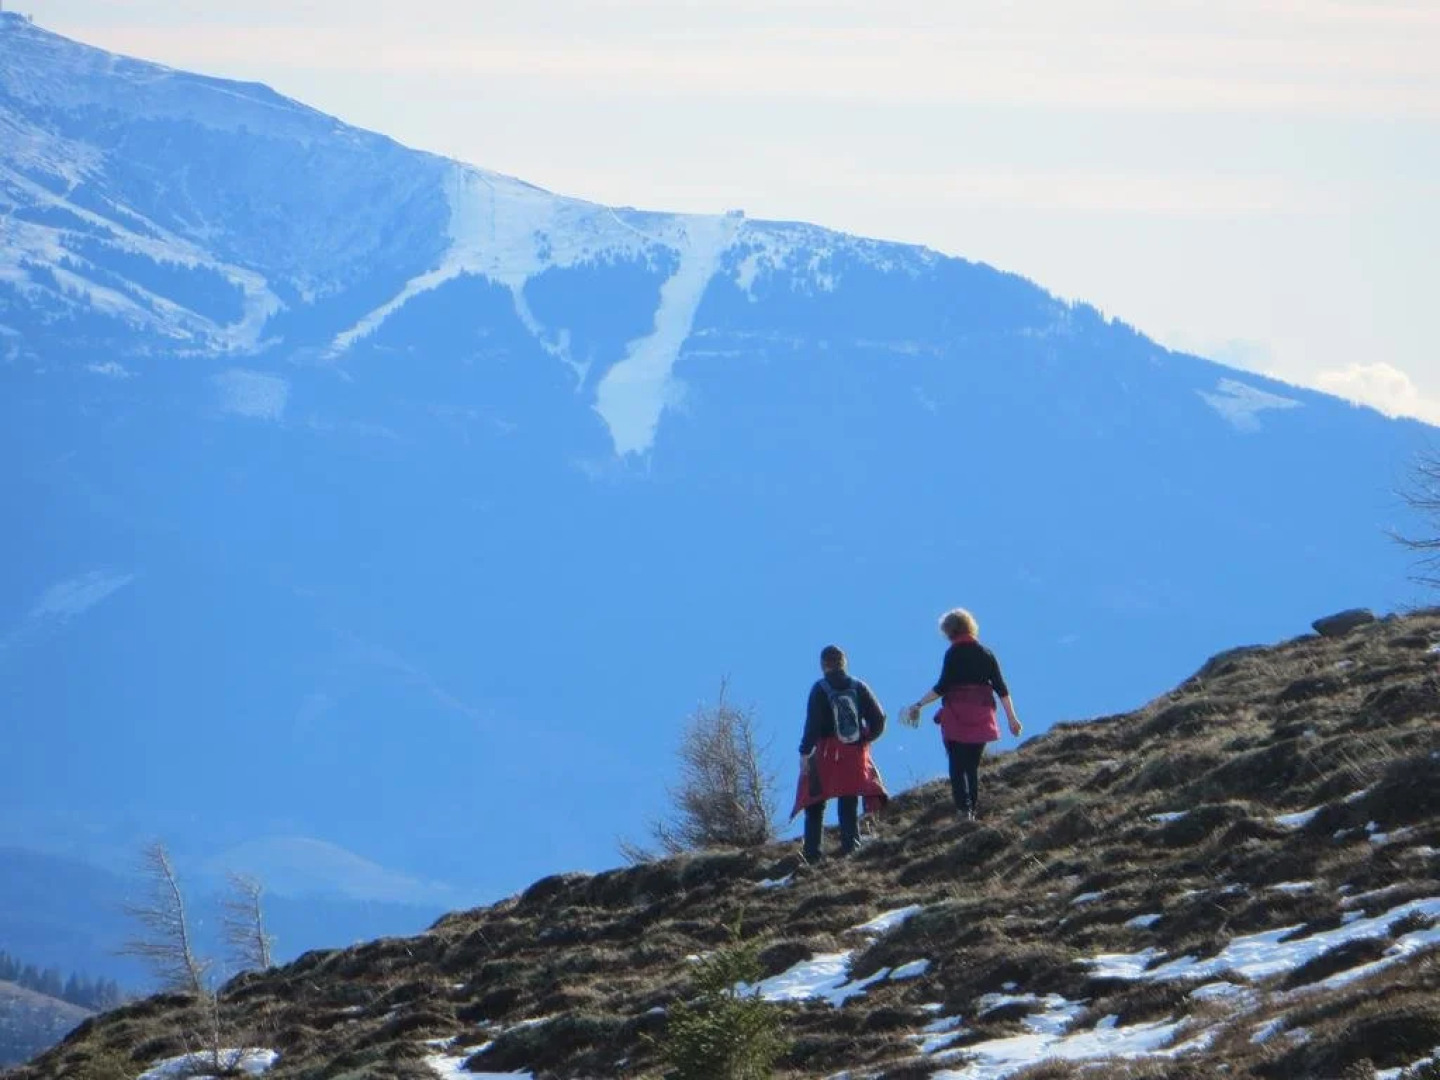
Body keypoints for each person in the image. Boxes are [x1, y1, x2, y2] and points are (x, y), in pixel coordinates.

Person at [902, 609, 1022, 821]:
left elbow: (942, 687)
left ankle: (963, 810)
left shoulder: (953, 654)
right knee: (972, 766)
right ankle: (972, 810)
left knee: (957, 765)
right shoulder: (987, 654)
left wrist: (919, 704)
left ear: (949, 632)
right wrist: (1012, 719)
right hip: (983, 716)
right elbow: (1001, 689)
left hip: (957, 716)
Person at [791, 645, 889, 863]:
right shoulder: (858, 686)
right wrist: (866, 738)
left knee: (815, 801)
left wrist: (804, 752)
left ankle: (812, 854)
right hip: (853, 749)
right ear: (844, 663)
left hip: (824, 751)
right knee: (849, 796)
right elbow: (880, 718)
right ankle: (850, 846)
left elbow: (813, 725)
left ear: (823, 665)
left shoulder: (819, 688)